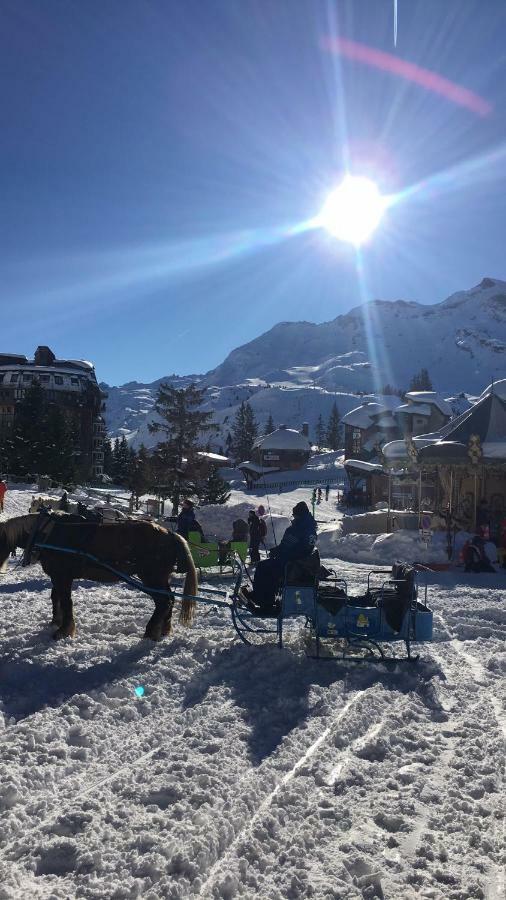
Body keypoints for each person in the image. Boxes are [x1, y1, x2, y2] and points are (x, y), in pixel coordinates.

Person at [241, 501, 317, 613]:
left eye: (295, 515)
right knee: (263, 566)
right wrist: (276, 551)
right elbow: (285, 545)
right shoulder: (298, 527)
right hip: (286, 561)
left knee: (264, 568)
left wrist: (282, 555)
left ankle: (265, 601)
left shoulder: (307, 530)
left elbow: (302, 551)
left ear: (300, 515)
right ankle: (261, 595)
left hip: (293, 565)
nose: (294, 517)